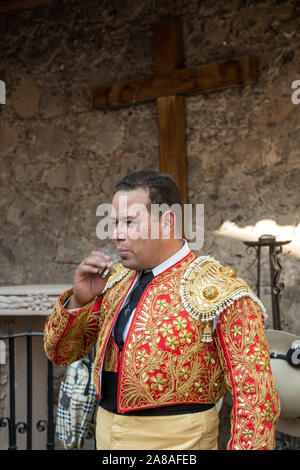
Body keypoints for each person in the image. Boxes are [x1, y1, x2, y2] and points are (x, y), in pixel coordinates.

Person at [44, 170, 280, 450]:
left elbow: (255, 399)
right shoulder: (115, 281)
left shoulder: (220, 290)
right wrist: (79, 302)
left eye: (129, 222)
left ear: (166, 222)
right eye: (114, 223)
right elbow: (60, 353)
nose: (117, 234)